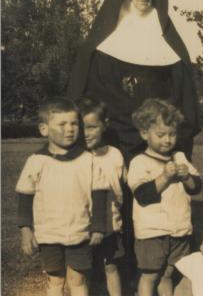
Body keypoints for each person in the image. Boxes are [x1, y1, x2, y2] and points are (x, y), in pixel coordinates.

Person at [67, 0, 200, 166]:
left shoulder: (167, 40)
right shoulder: (103, 42)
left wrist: (155, 119)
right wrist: (128, 117)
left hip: (156, 134)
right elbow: (94, 89)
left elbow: (181, 93)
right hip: (114, 132)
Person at [16, 97, 109, 296]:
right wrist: (26, 229)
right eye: (62, 124)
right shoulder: (36, 162)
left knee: (78, 280)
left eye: (74, 123)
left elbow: (100, 194)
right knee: (55, 280)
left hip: (79, 232)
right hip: (48, 234)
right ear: (44, 129)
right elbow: (25, 197)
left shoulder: (88, 161)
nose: (70, 129)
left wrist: (99, 227)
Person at [127, 99, 202, 296]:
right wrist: (165, 177)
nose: (167, 140)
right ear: (144, 134)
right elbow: (143, 195)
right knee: (150, 275)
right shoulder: (140, 162)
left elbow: (196, 188)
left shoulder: (180, 157)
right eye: (161, 135)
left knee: (168, 273)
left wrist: (187, 177)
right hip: (152, 231)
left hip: (179, 229)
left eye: (172, 134)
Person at [77, 96, 127, 296]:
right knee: (83, 271)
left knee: (111, 266)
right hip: (82, 226)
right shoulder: (77, 158)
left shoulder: (115, 155)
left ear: (105, 125)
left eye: (91, 127)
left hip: (111, 225)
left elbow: (121, 187)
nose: (85, 133)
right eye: (81, 128)